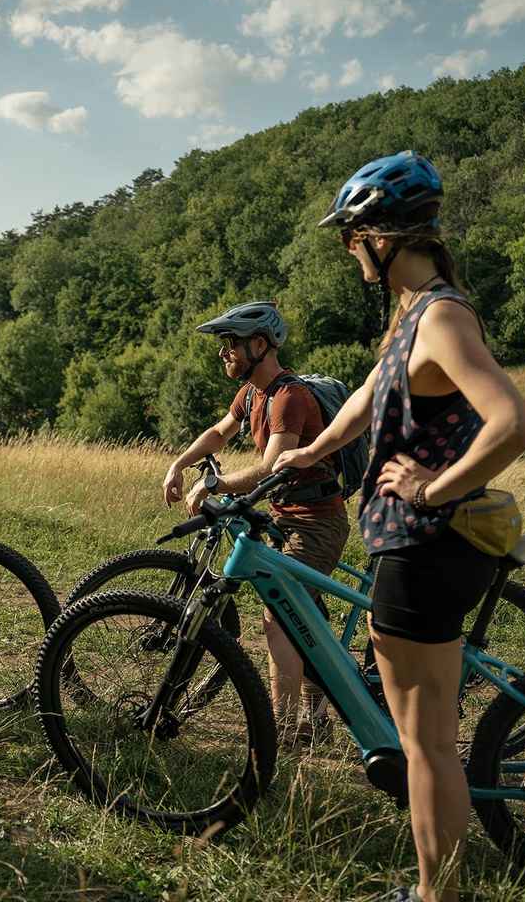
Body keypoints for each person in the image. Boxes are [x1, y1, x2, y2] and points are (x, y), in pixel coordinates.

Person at [276, 152, 525, 902]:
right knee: (423, 743)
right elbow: (359, 406)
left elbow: (515, 422)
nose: (346, 249)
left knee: (426, 749)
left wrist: (434, 488)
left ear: (379, 235)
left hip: (424, 547)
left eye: (348, 235)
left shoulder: (443, 315)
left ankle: (434, 896)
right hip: (411, 546)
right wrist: (280, 465)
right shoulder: (413, 314)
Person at [162, 301, 350, 745]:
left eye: (231, 344)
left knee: (279, 615)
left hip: (316, 522)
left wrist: (215, 483)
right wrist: (179, 463)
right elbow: (220, 431)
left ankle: (281, 730)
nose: (223, 353)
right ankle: (315, 716)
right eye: (223, 345)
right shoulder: (252, 394)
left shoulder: (289, 397)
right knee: (304, 616)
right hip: (285, 517)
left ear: (260, 344)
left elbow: (270, 466)